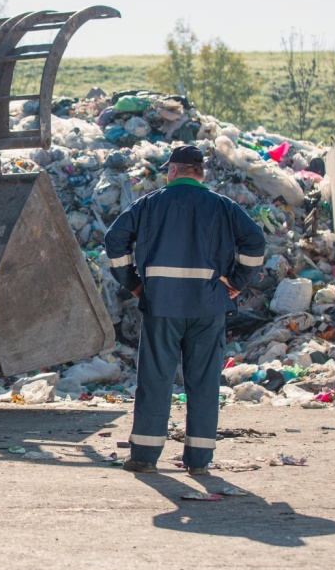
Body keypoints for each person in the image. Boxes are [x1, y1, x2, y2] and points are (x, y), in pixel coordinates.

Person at [104, 145, 265, 475]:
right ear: (200, 173)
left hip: (162, 306)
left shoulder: (150, 204)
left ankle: (144, 457)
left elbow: (114, 239)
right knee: (204, 383)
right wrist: (236, 281)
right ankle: (199, 462)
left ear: (174, 171)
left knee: (156, 379)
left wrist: (132, 281)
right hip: (208, 306)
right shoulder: (222, 206)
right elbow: (255, 241)